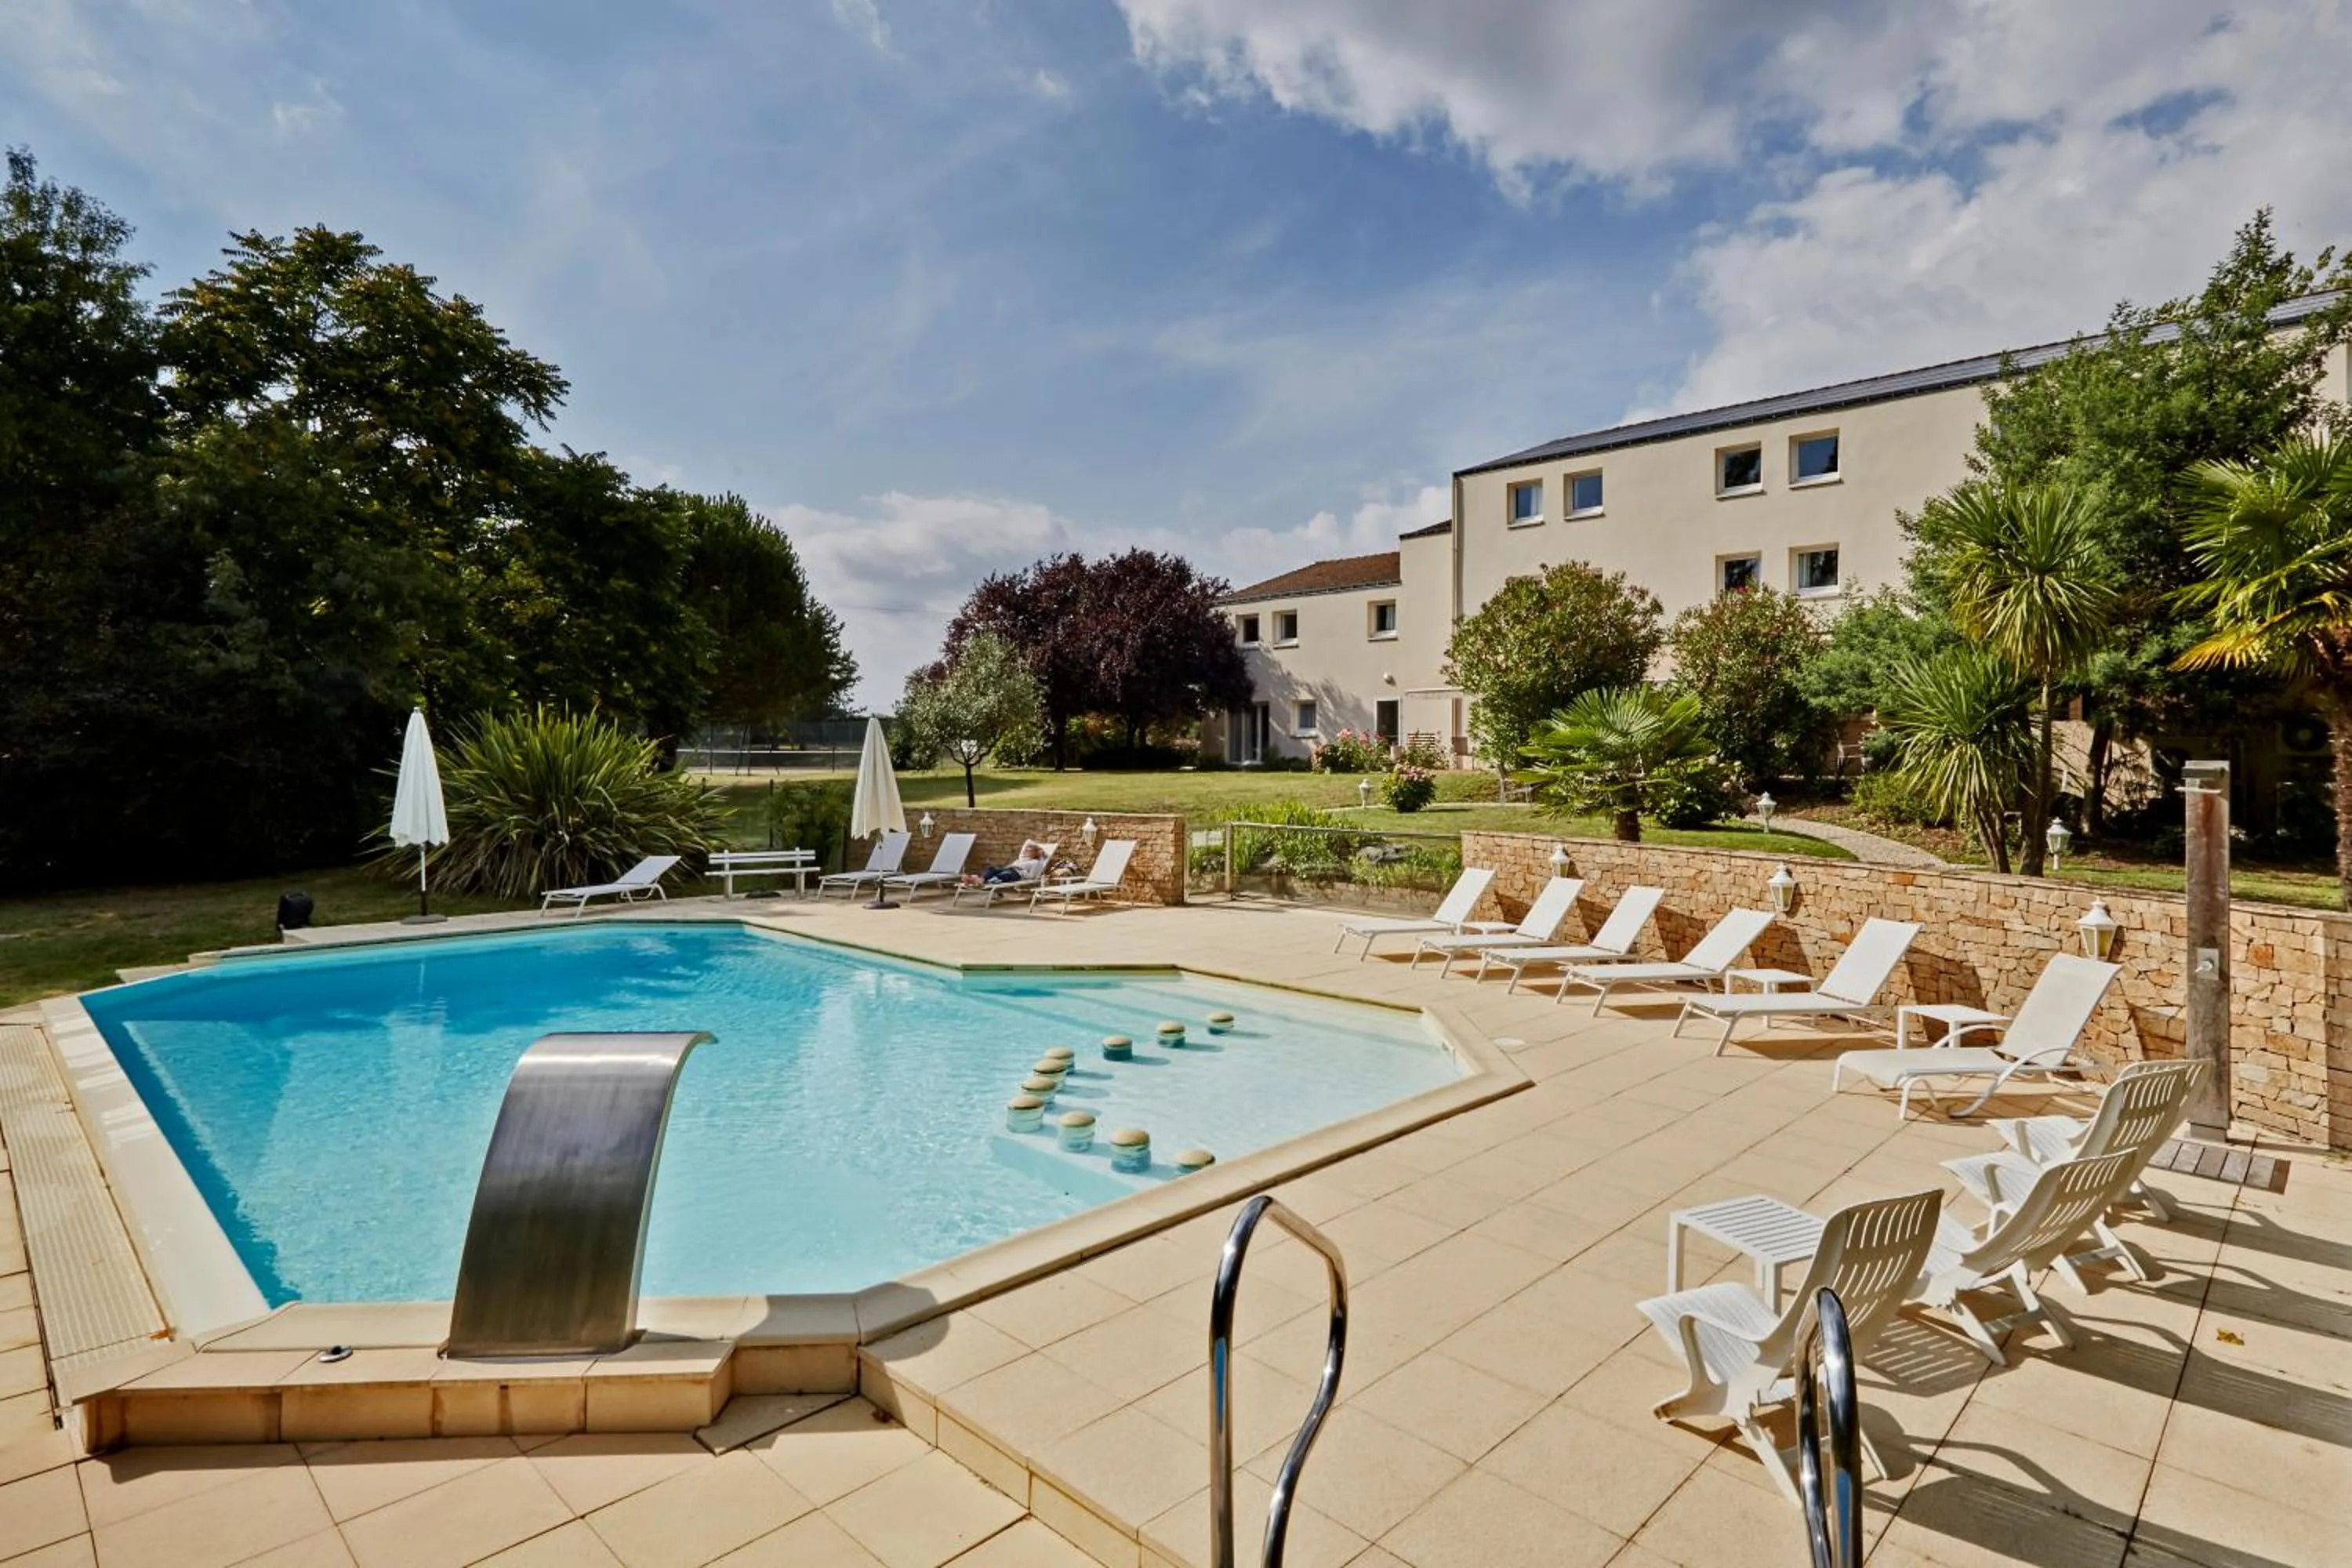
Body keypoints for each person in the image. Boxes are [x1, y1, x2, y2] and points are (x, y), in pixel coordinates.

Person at [980, 840, 1050, 887]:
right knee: (992, 869)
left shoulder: (1037, 863)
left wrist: (1023, 872)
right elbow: (1028, 841)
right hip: (1009, 868)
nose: (1028, 852)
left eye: (1031, 851)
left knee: (1006, 875)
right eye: (1028, 850)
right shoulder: (1023, 857)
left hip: (1018, 874)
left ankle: (991, 881)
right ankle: (982, 880)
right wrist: (1039, 847)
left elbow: (1033, 877)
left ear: (1037, 853)